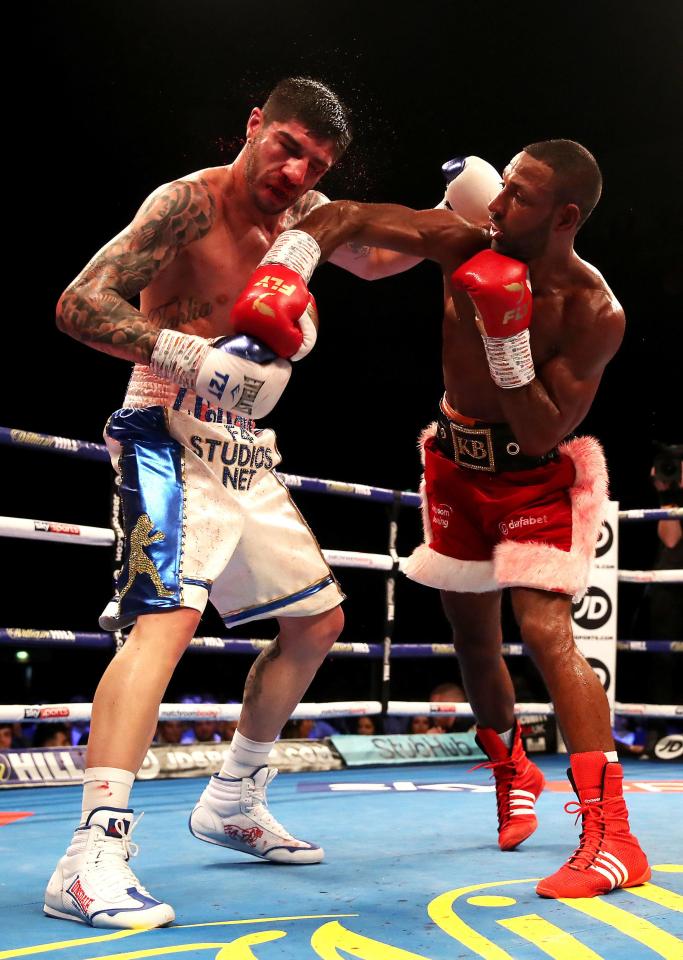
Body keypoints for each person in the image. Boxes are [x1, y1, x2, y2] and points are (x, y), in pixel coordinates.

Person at [46, 76, 420, 931]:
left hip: (244, 446)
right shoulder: (185, 204)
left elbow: (382, 252)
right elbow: (78, 304)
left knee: (318, 621)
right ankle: (90, 856)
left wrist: (465, 226)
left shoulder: (305, 221)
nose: (294, 170)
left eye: (314, 162)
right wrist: (184, 348)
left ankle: (234, 797)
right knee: (165, 625)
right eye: (285, 146)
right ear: (254, 126)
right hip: (164, 429)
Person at [235, 138, 651, 899]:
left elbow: (537, 433)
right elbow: (346, 217)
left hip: (535, 480)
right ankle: (510, 769)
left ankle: (613, 837)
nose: (493, 206)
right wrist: (285, 268)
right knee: (471, 638)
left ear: (563, 216)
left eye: (517, 197)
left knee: (545, 630)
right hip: (454, 471)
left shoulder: (594, 312)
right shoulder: (462, 241)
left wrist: (507, 339)